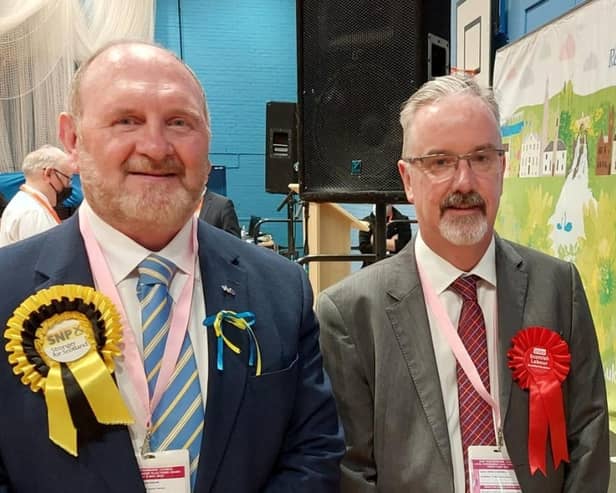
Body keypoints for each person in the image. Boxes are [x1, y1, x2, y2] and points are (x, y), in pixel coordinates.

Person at [0, 40, 343, 492]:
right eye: (127, 120)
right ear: (74, 140)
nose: (156, 146)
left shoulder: (281, 288)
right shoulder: (7, 288)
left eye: (180, 123)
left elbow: (312, 453)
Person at [316, 74, 608, 492]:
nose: (464, 182)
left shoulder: (558, 287)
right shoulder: (351, 313)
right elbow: (352, 473)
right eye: (440, 162)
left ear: (503, 168)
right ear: (407, 180)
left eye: (482, 158)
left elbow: (588, 440)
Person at [0, 144, 74, 246]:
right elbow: (45, 258)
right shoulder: (33, 213)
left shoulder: (27, 204)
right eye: (68, 179)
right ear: (48, 174)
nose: (69, 185)